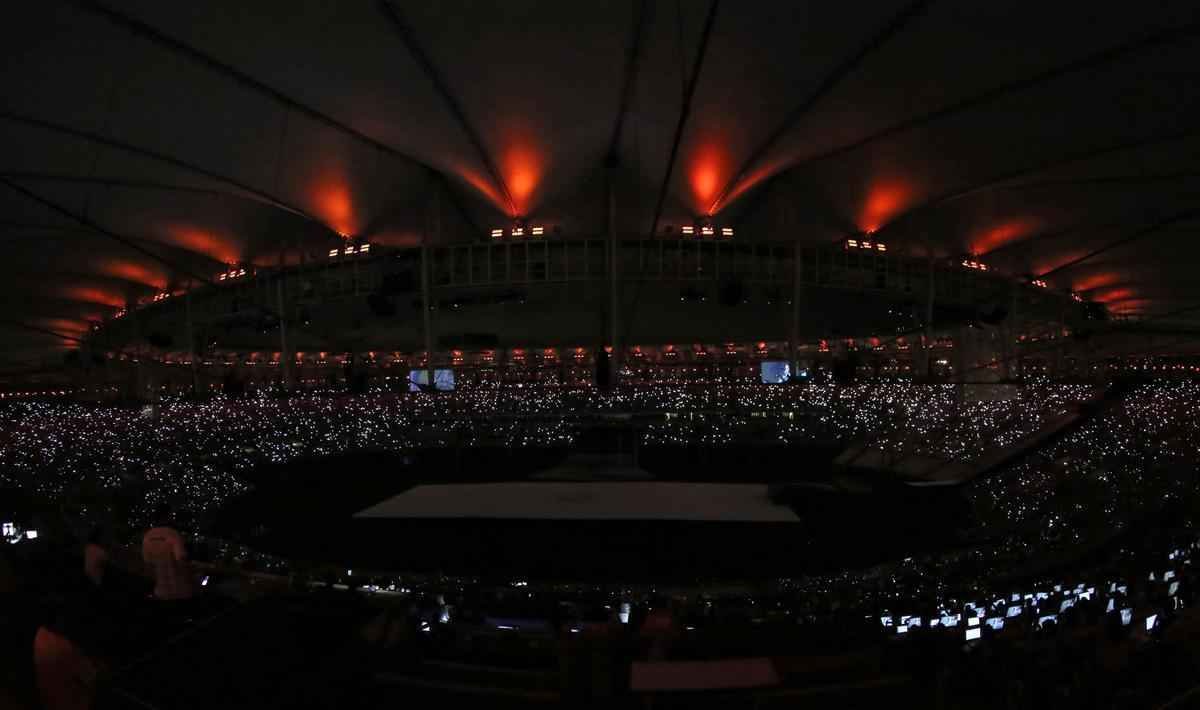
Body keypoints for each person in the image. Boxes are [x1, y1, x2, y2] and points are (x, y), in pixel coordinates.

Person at [141, 505, 193, 601]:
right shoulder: (173, 534)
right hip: (179, 592)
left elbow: (148, 563)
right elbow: (181, 559)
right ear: (168, 517)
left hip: (160, 591)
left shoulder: (147, 536)